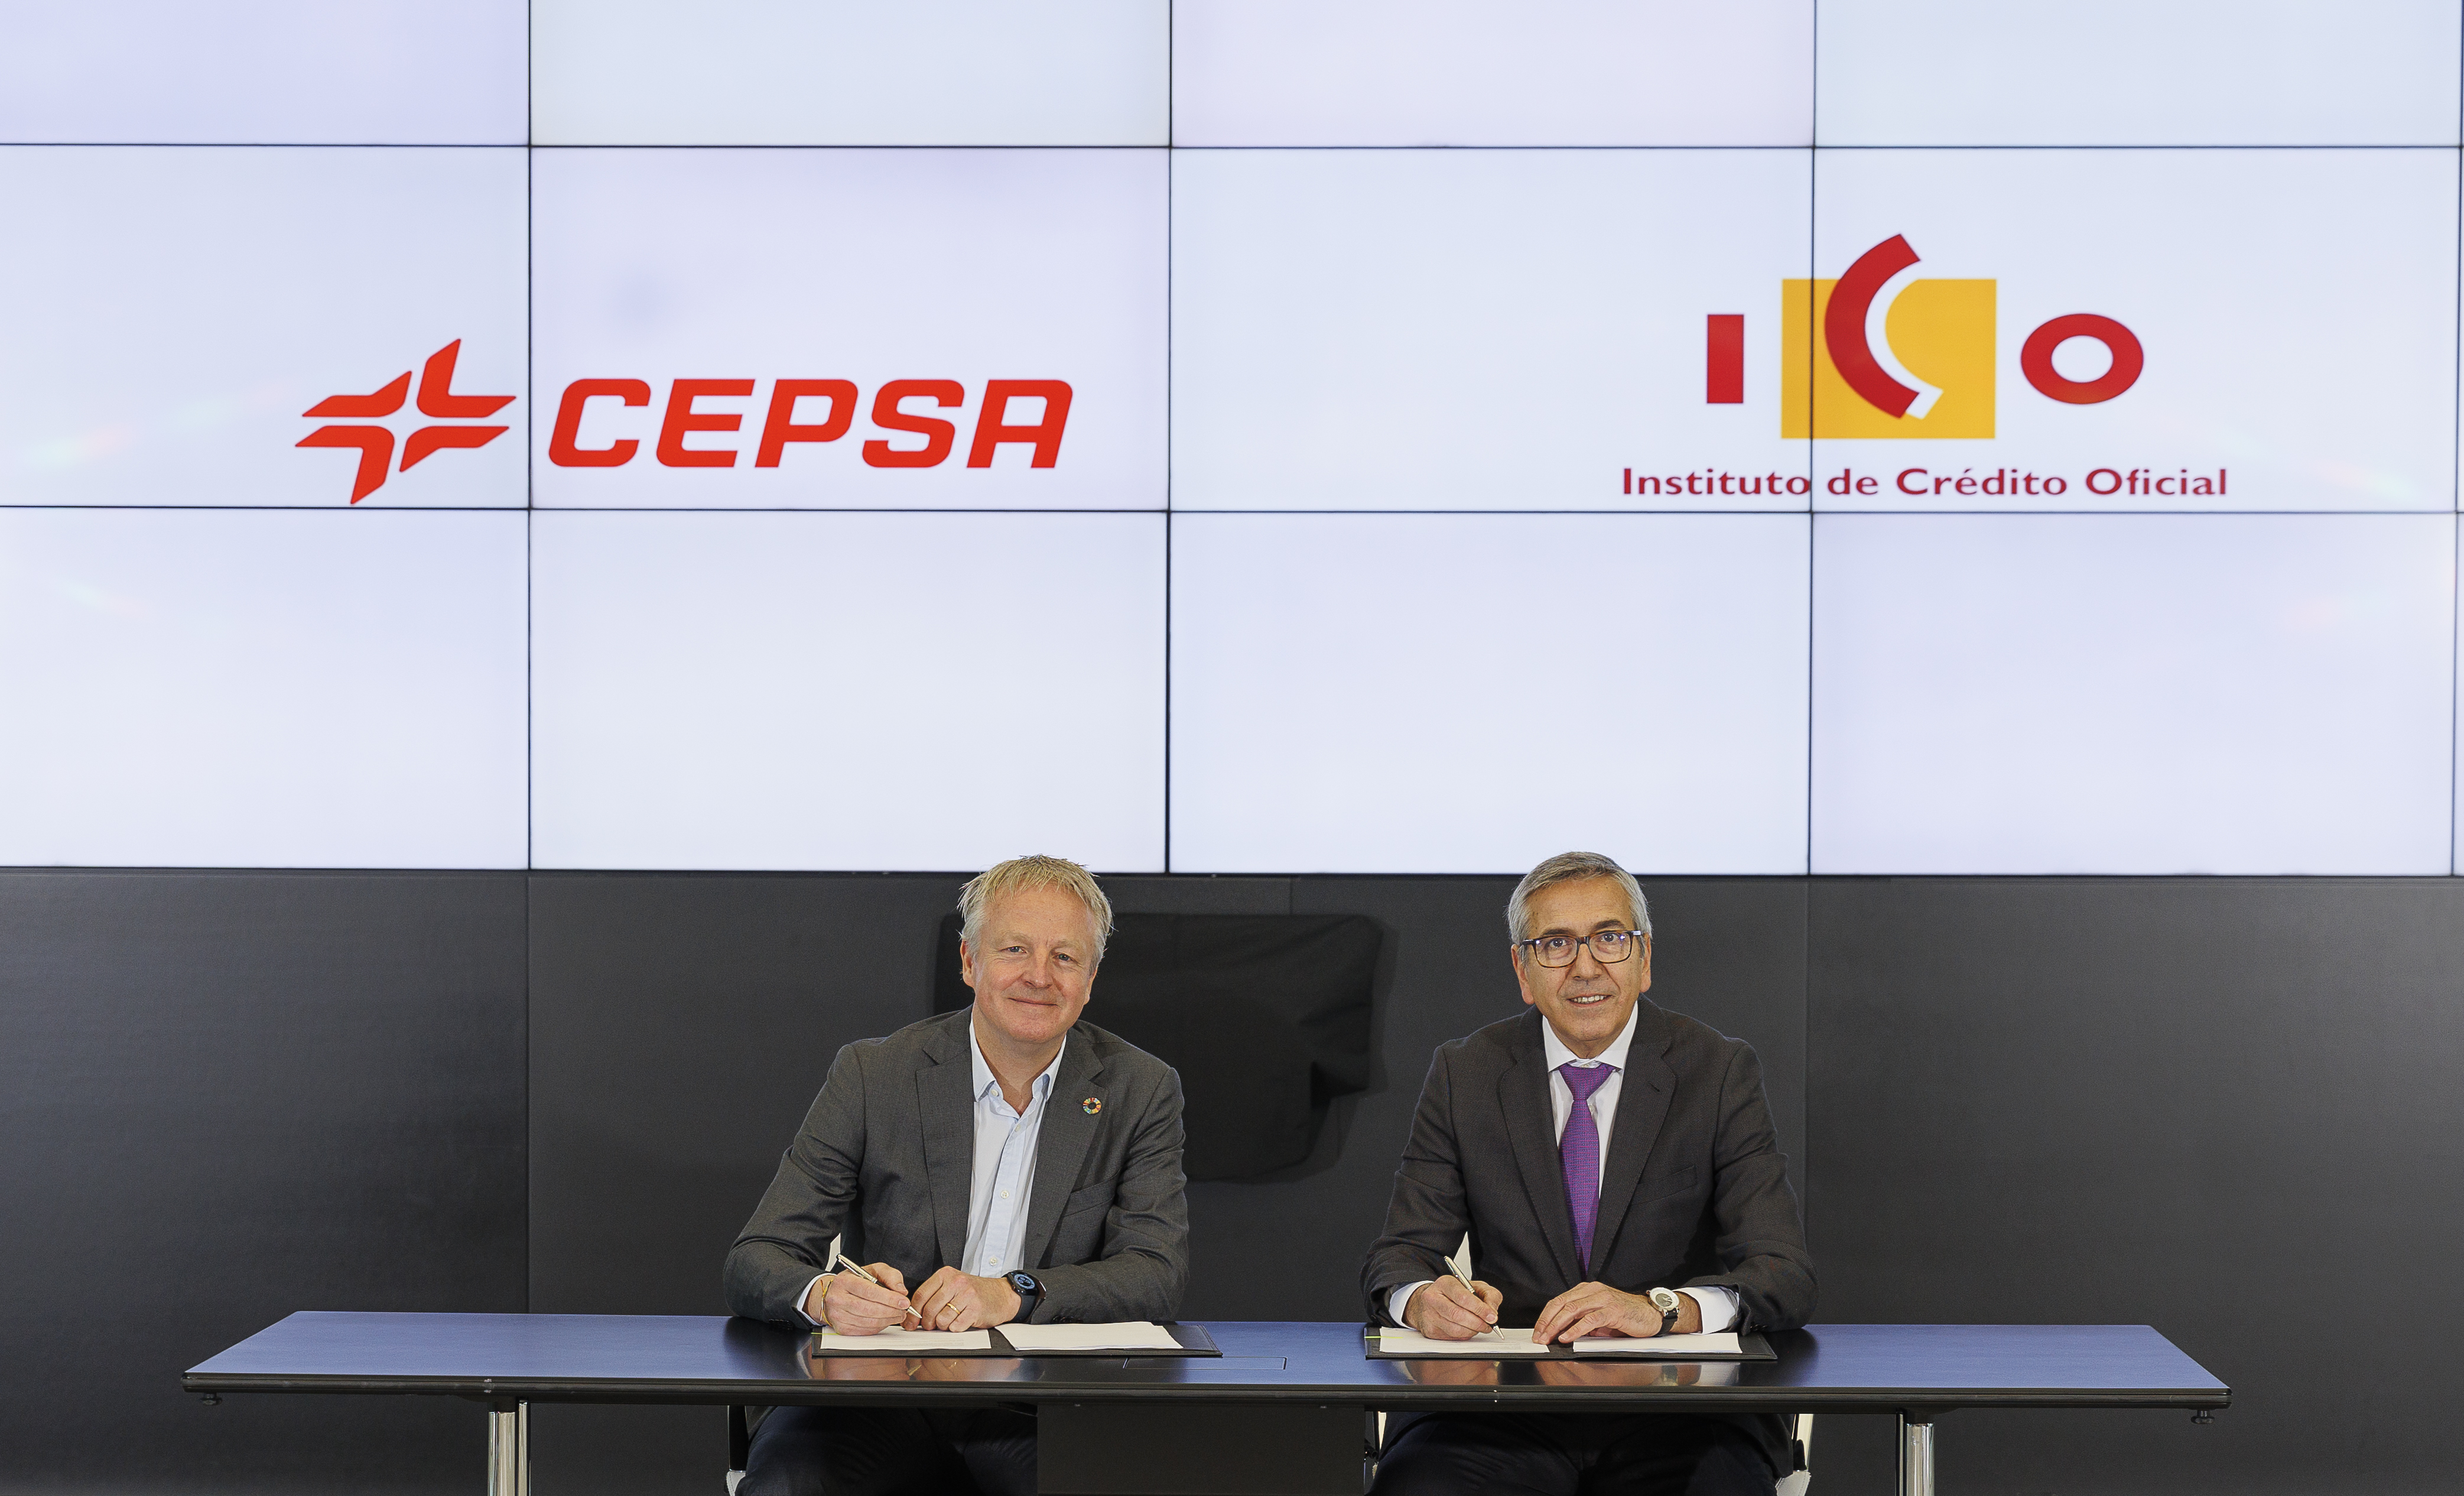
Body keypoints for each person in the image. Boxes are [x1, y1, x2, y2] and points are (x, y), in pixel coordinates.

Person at [724, 855, 1189, 1496]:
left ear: (1089, 980)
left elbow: (1155, 1271)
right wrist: (825, 1294)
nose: (1039, 975)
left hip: (1044, 1404)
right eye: (1015, 949)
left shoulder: (1141, 1088)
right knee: (790, 1486)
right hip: (874, 1401)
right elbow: (757, 1257)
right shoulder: (873, 1074)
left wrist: (1015, 1292)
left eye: (1064, 956)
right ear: (970, 962)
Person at [1361, 851, 1816, 1495]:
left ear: (1644, 958)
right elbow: (1398, 1256)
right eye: (1556, 944)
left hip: (1683, 1414)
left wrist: (1664, 1309)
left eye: (1609, 938)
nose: (1585, 966)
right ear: (1523, 970)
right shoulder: (1467, 1073)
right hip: (1498, 1412)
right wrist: (1422, 1299)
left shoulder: (1717, 1071)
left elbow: (1783, 1271)